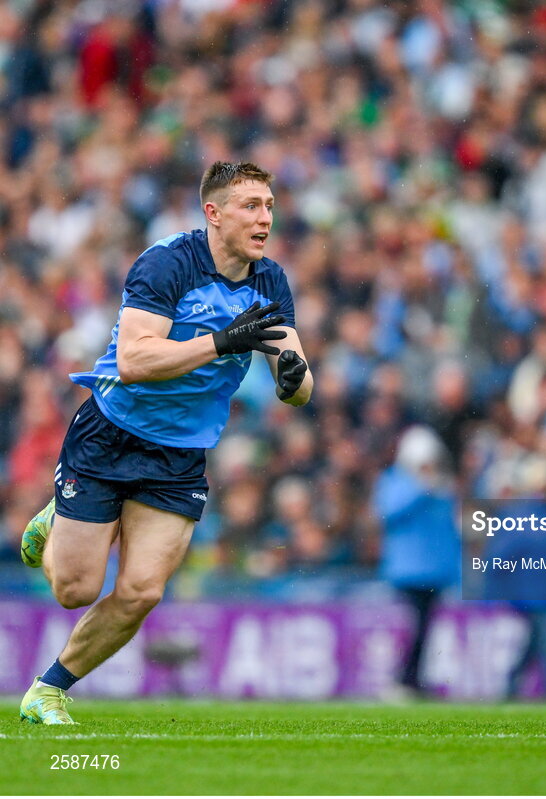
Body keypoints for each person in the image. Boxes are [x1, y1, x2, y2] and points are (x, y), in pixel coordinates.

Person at [18, 161, 314, 724]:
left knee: (142, 591)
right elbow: (134, 360)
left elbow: (299, 383)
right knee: (75, 590)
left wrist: (293, 377)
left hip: (179, 455)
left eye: (270, 206)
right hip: (111, 434)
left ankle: (48, 689)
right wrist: (222, 341)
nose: (265, 218)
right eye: (251, 206)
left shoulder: (269, 280)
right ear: (214, 213)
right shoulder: (167, 263)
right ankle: (57, 519)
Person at [373, 426, 460, 698]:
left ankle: (413, 679)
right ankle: (403, 679)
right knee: (413, 627)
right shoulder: (397, 481)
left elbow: (449, 530)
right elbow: (387, 512)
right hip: (407, 571)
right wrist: (421, 489)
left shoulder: (442, 485)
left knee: (426, 629)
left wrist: (455, 571)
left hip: (434, 571)